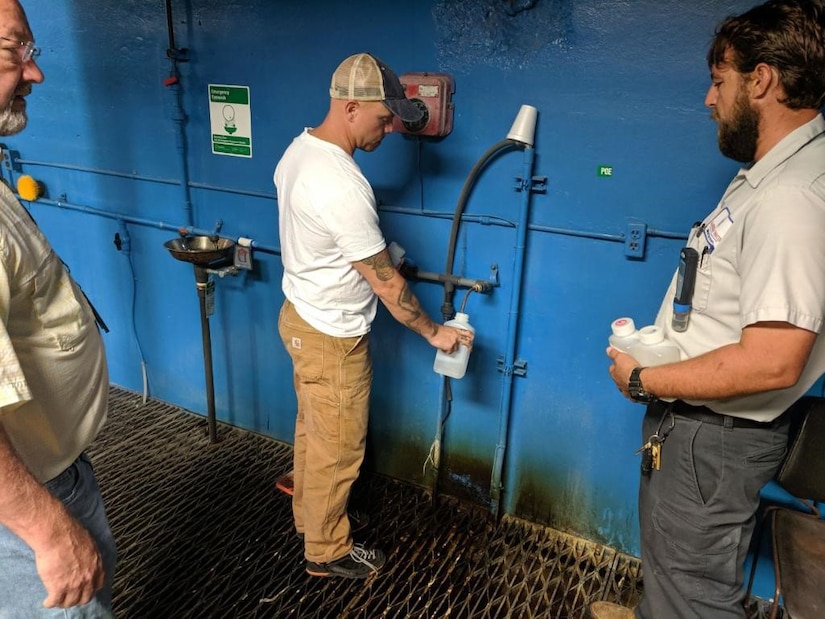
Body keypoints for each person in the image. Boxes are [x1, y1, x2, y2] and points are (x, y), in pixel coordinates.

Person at [592, 1, 825, 617]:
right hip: (704, 434)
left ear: (764, 80)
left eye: (719, 81)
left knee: (694, 597)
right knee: (677, 579)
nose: (707, 99)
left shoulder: (791, 198)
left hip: (715, 439)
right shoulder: (770, 177)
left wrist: (644, 379)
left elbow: (773, 361)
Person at [274, 52, 472, 579]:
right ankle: (327, 550)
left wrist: (381, 251)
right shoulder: (343, 184)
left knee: (314, 434)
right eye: (384, 118)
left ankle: (312, 516)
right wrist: (435, 333)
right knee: (339, 448)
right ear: (352, 107)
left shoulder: (299, 152)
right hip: (332, 335)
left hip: (300, 316)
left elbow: (340, 242)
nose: (388, 130)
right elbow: (385, 283)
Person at [0, 1, 116, 616]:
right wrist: (46, 530)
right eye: (10, 50)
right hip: (23, 509)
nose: (33, 72)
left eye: (31, 52)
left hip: (48, 470)